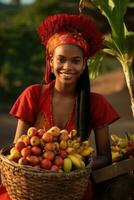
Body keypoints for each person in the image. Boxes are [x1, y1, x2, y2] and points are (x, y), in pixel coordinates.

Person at [0, 13, 133, 200]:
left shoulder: (96, 103)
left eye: (76, 61)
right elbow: (17, 149)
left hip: (74, 189)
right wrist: (40, 166)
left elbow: (106, 157)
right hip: (30, 188)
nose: (67, 66)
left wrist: (69, 167)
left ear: (84, 64)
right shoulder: (33, 95)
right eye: (61, 59)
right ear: (50, 61)